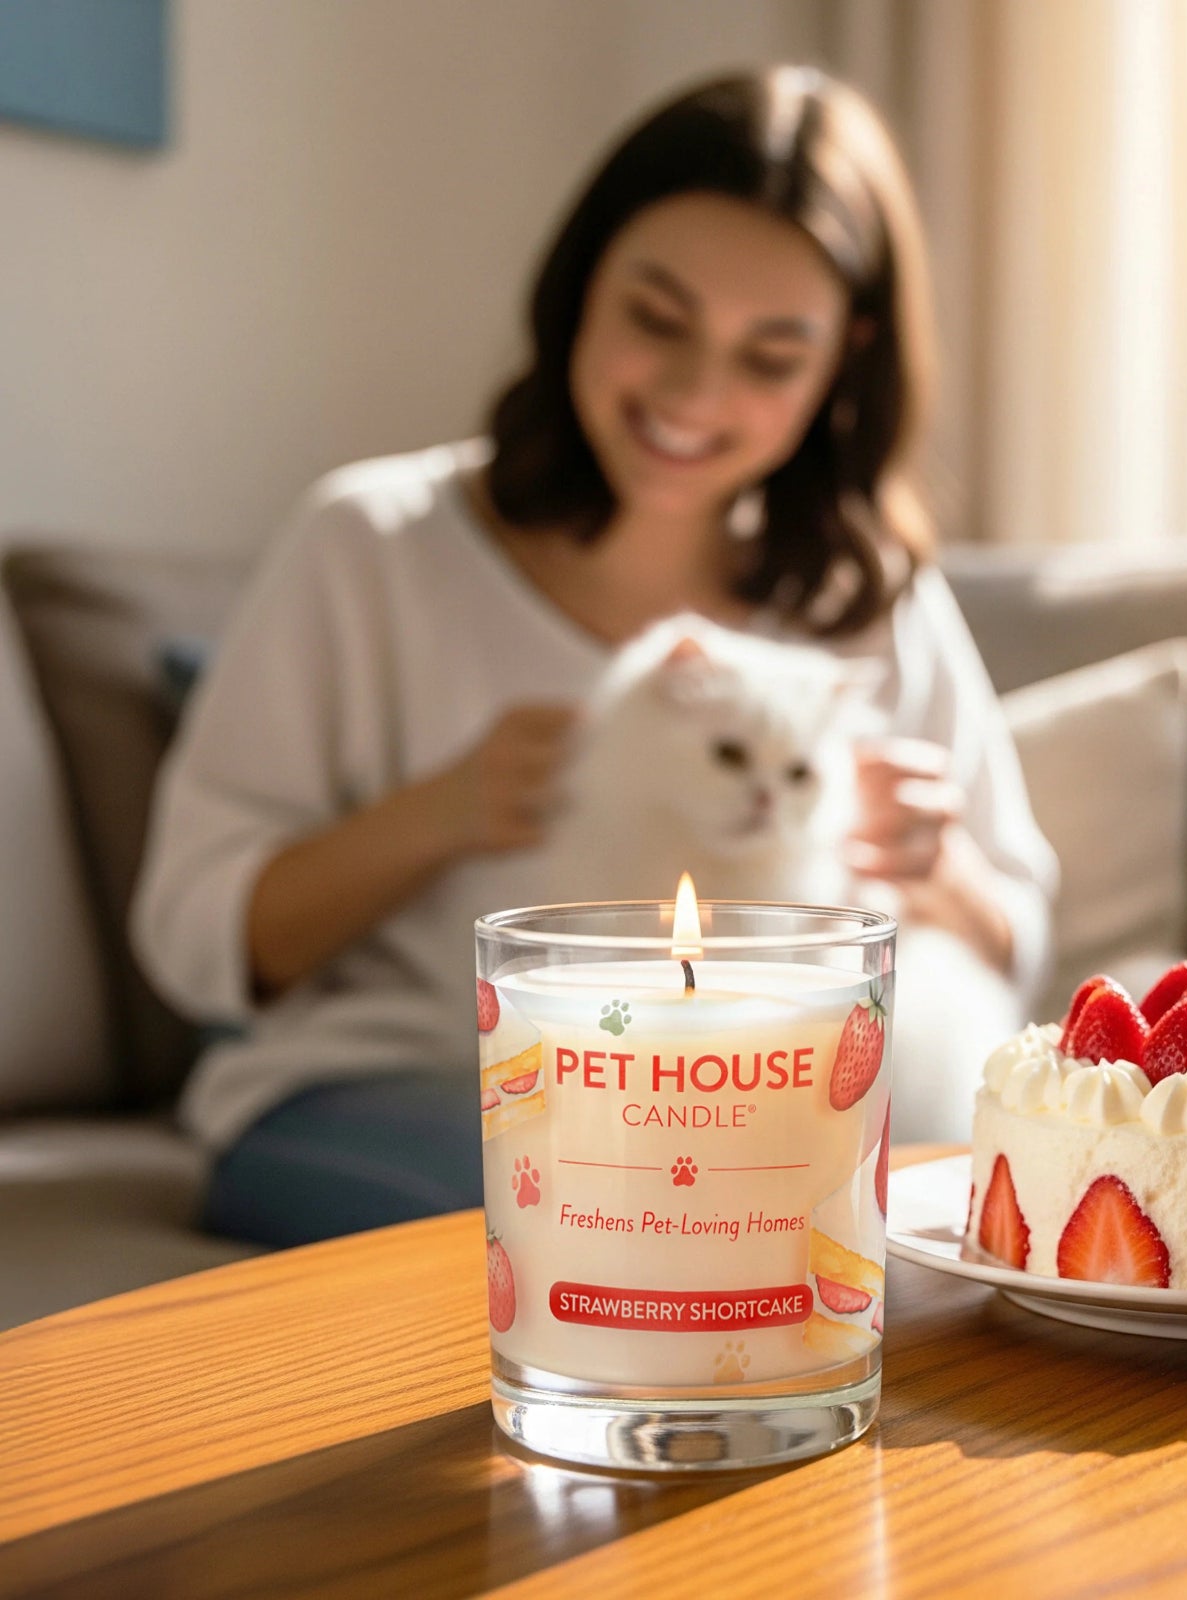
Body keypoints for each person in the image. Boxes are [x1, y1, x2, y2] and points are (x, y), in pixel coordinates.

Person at [132, 66, 1058, 1247]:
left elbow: (1014, 937)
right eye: (656, 320)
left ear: (842, 364)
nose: (691, 392)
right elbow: (191, 935)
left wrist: (936, 870)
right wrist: (444, 812)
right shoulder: (373, 547)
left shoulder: (864, 596)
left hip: (753, 1105)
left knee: (852, 1211)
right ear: (581, 289)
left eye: (769, 357)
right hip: (403, 1086)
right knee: (670, 1214)